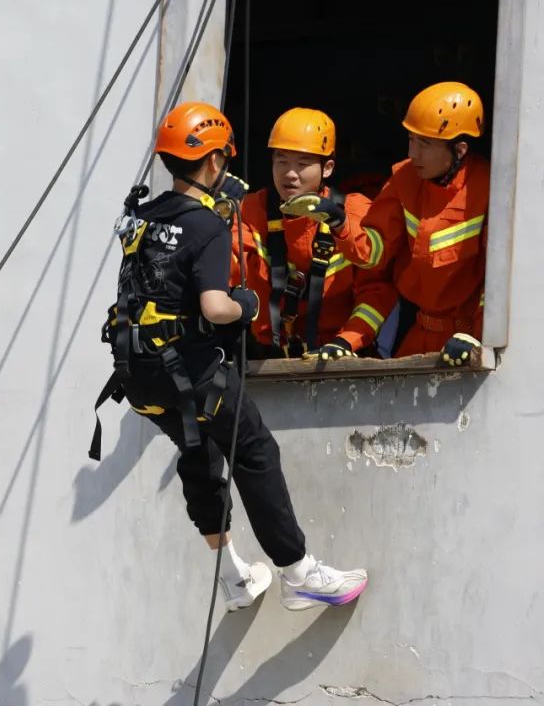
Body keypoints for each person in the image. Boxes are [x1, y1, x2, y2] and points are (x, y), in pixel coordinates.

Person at [96, 103, 367, 612]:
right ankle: (298, 573)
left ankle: (232, 578)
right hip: (191, 372)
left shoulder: (141, 217)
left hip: (139, 377)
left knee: (199, 454)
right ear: (216, 160)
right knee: (255, 452)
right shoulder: (207, 226)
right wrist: (247, 304)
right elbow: (215, 307)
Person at [283, 82, 488, 365]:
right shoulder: (405, 178)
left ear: (460, 150)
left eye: (424, 144)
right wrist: (338, 220)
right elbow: (374, 253)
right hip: (419, 334)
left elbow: (499, 280)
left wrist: (480, 336)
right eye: (411, 139)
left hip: (468, 341)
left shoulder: (489, 188)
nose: (413, 153)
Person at [239, 108, 397, 359]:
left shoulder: (354, 211)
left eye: (302, 164)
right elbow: (227, 272)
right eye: (281, 161)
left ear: (327, 168)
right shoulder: (250, 210)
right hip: (269, 360)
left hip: (341, 355)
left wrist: (346, 341)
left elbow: (377, 291)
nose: (290, 173)